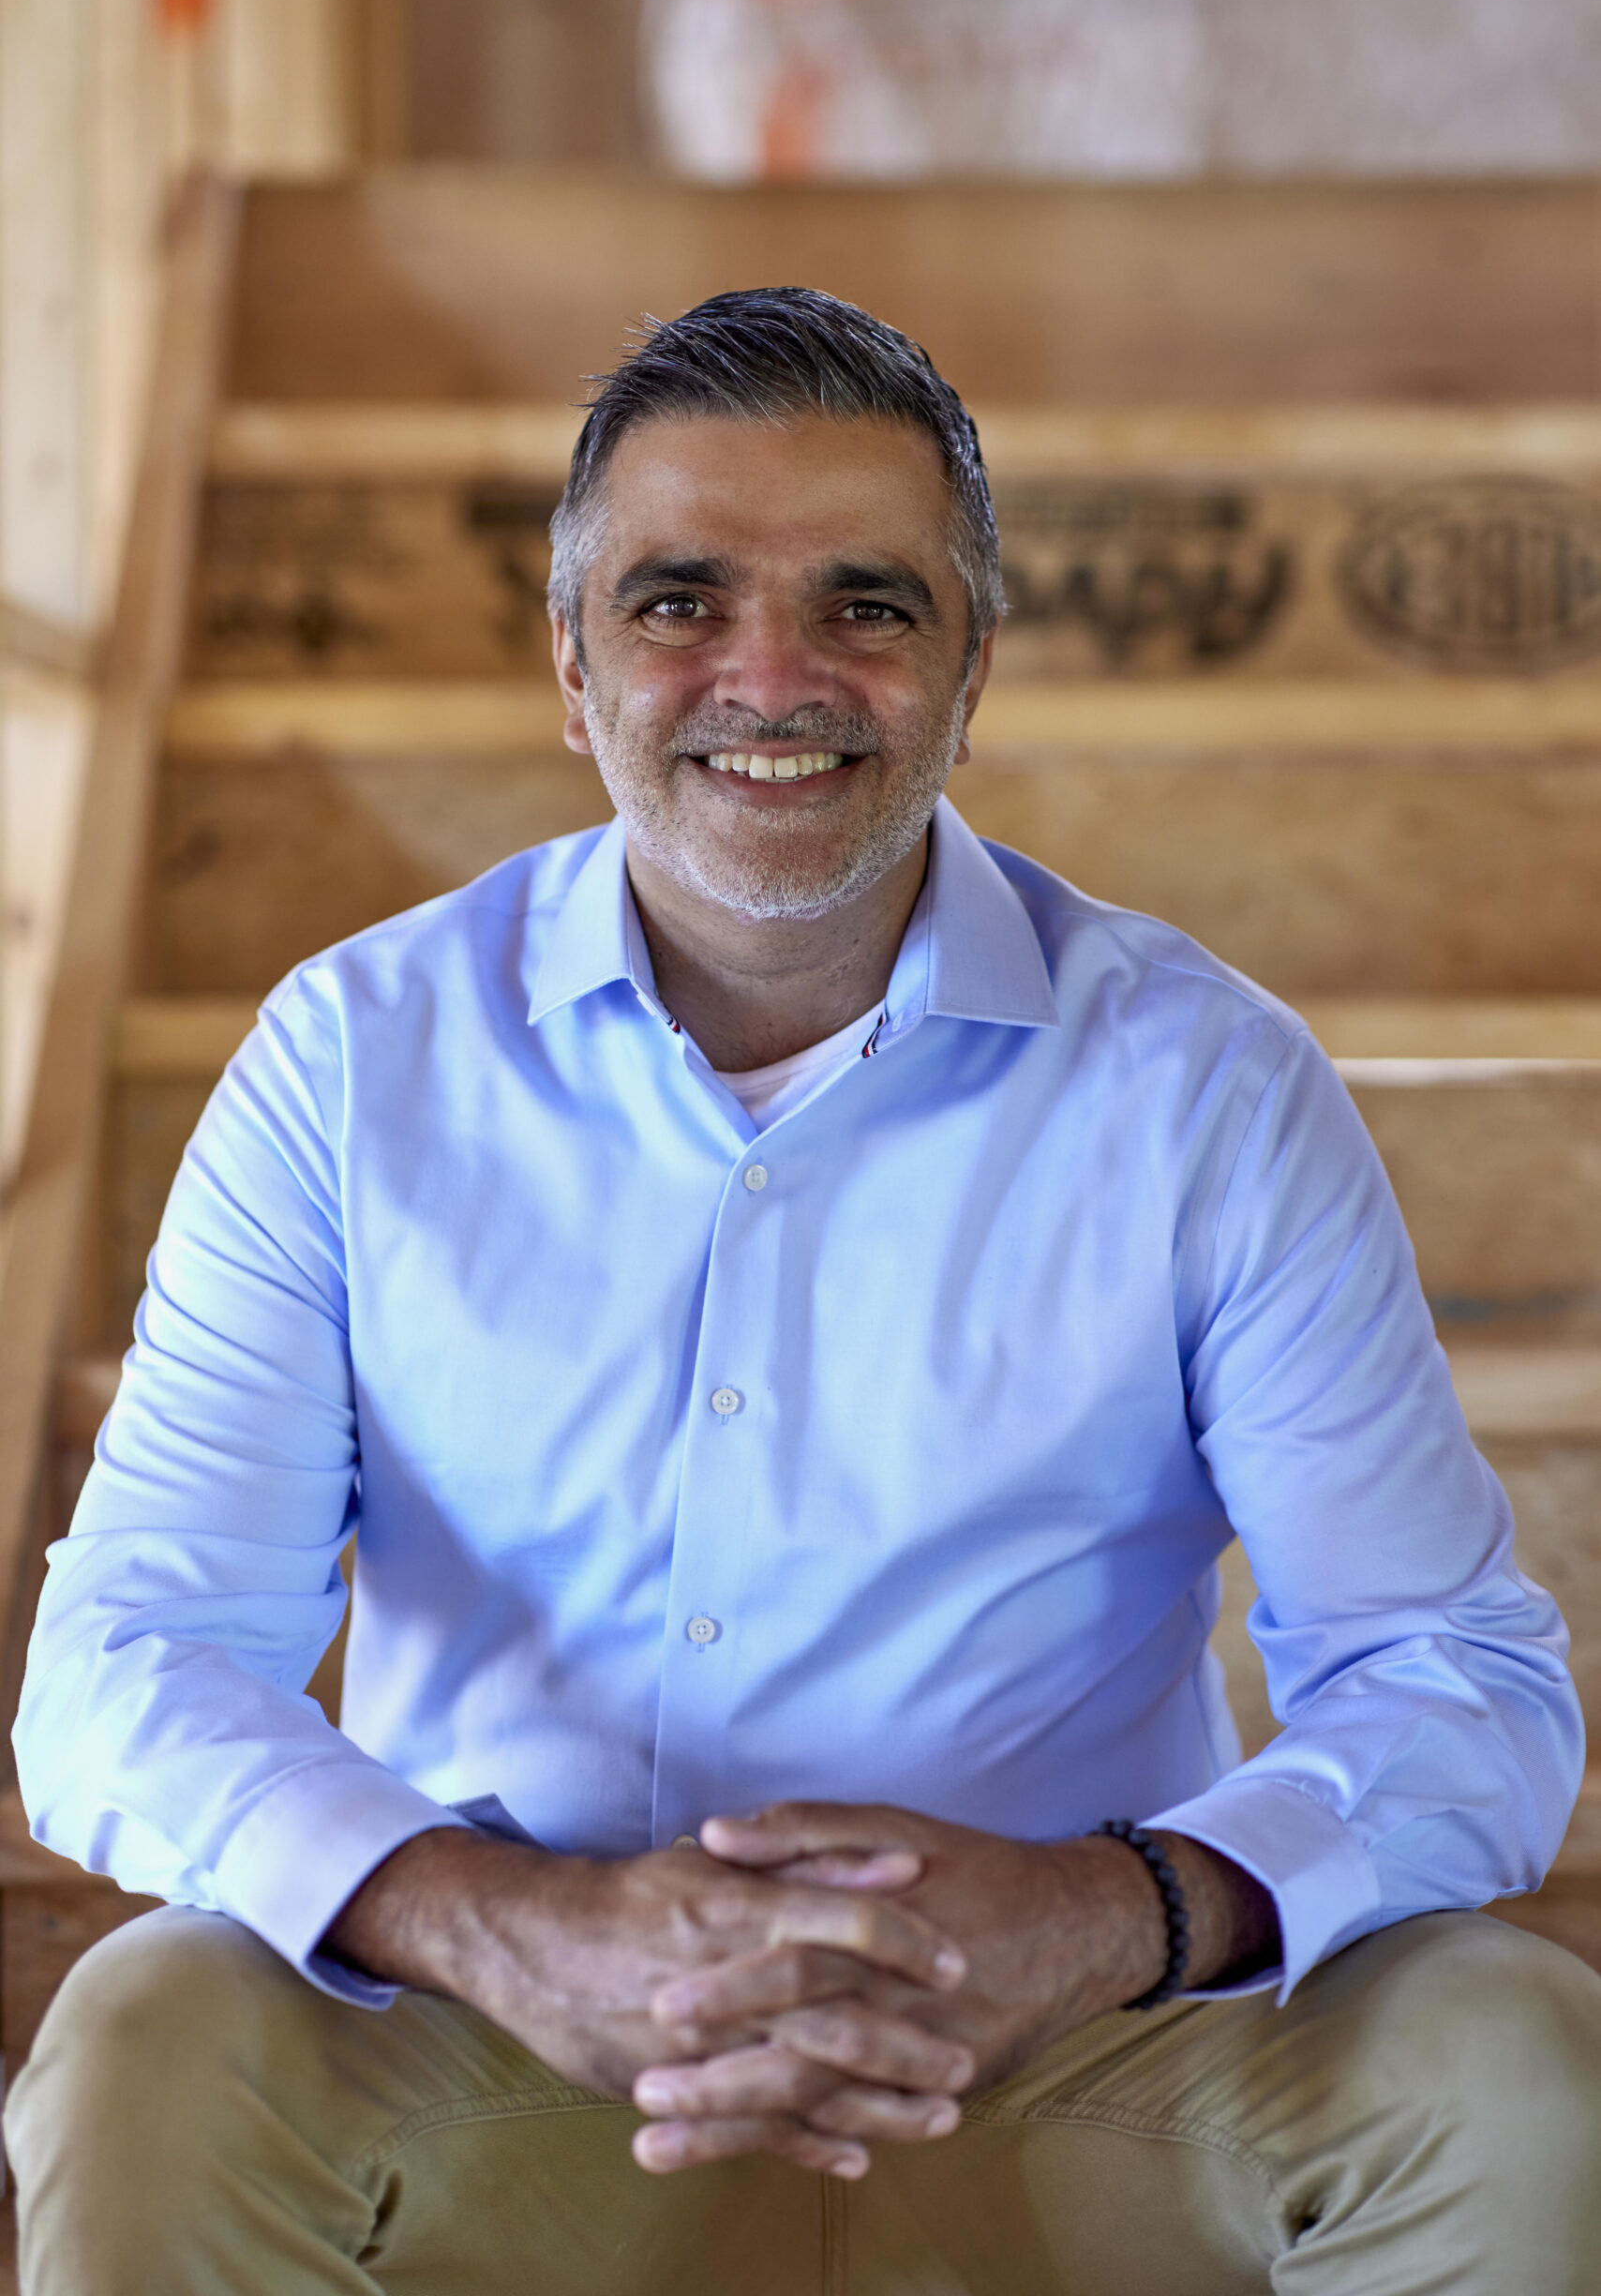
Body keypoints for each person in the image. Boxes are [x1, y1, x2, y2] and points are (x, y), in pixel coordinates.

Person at [8, 288, 1600, 2296]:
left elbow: (1455, 1674)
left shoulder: (1200, 1083)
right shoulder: (352, 1059)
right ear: (571, 668)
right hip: (516, 2057)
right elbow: (128, 1650)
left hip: (1065, 2061)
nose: (774, 672)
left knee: (1506, 2053)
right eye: (679, 599)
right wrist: (502, 1922)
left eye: (866, 603)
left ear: (967, 672)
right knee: (149, 2036)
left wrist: (1106, 1915)